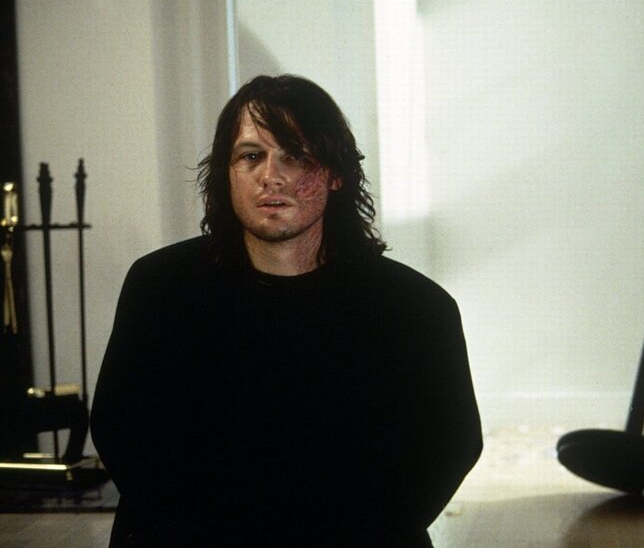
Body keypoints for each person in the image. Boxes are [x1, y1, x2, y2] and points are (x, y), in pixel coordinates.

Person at [90, 74, 482, 547]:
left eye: (295, 156)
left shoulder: (415, 308)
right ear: (227, 172)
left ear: (335, 174)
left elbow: (450, 447)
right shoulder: (160, 287)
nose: (270, 176)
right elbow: (122, 432)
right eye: (250, 156)